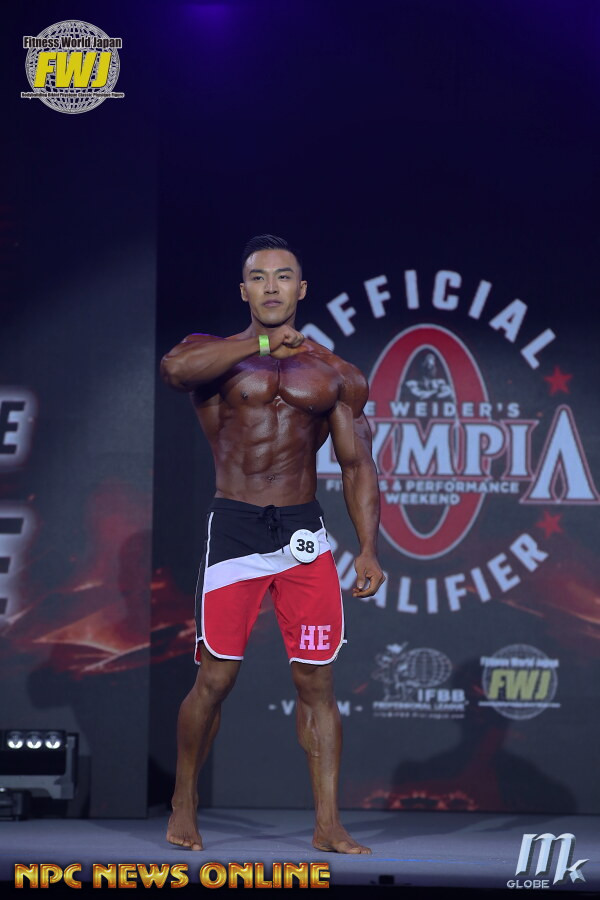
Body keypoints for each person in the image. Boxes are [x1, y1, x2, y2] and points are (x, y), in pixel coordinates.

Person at [160, 234, 385, 854]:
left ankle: (328, 823)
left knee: (317, 682)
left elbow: (358, 464)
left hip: (302, 533)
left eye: (283, 276)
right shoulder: (212, 354)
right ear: (244, 290)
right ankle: (184, 800)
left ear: (300, 288)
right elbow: (175, 372)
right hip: (235, 527)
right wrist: (262, 344)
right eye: (259, 277)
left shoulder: (334, 373)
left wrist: (368, 548)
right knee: (216, 678)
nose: (271, 287)